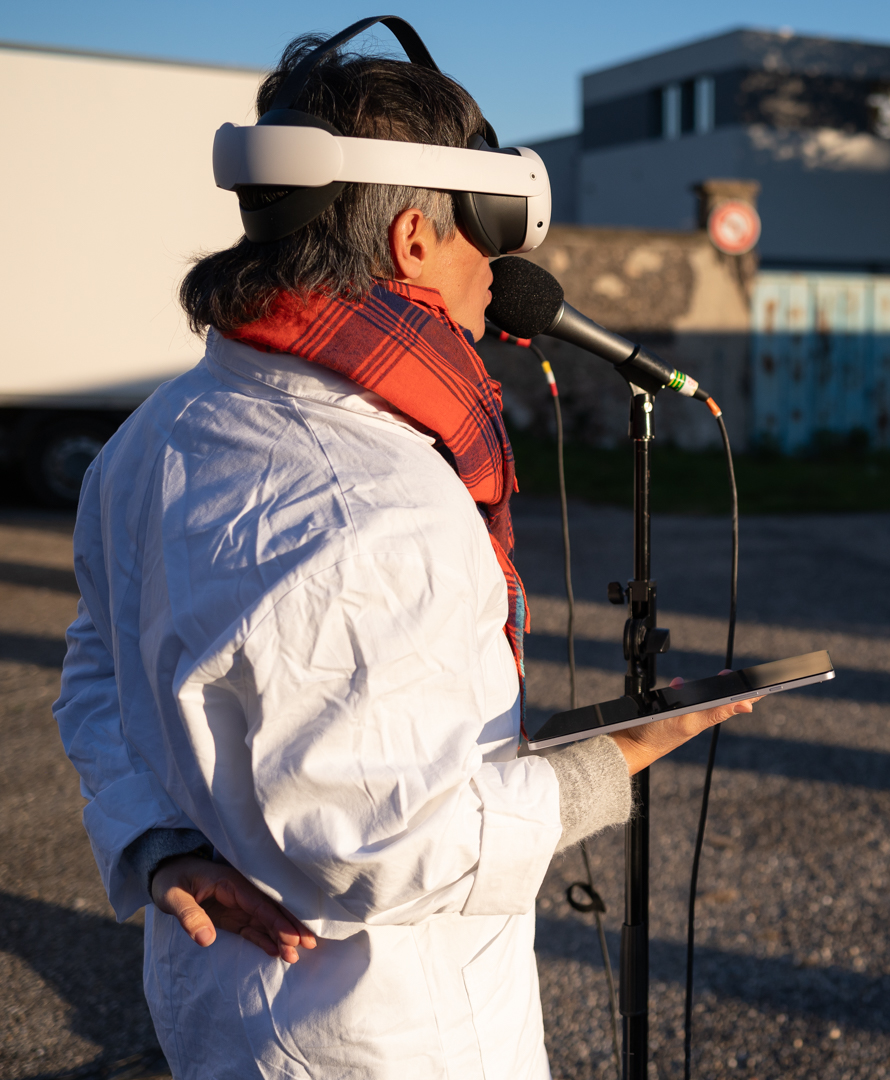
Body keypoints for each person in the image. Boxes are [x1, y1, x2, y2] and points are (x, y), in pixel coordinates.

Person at [52, 30, 751, 1079]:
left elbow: (99, 666)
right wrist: (607, 770)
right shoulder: (374, 503)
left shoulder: (155, 436)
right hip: (382, 1039)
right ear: (416, 239)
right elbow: (385, 845)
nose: (503, 269)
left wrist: (158, 845)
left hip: (222, 1017)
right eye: (491, 232)